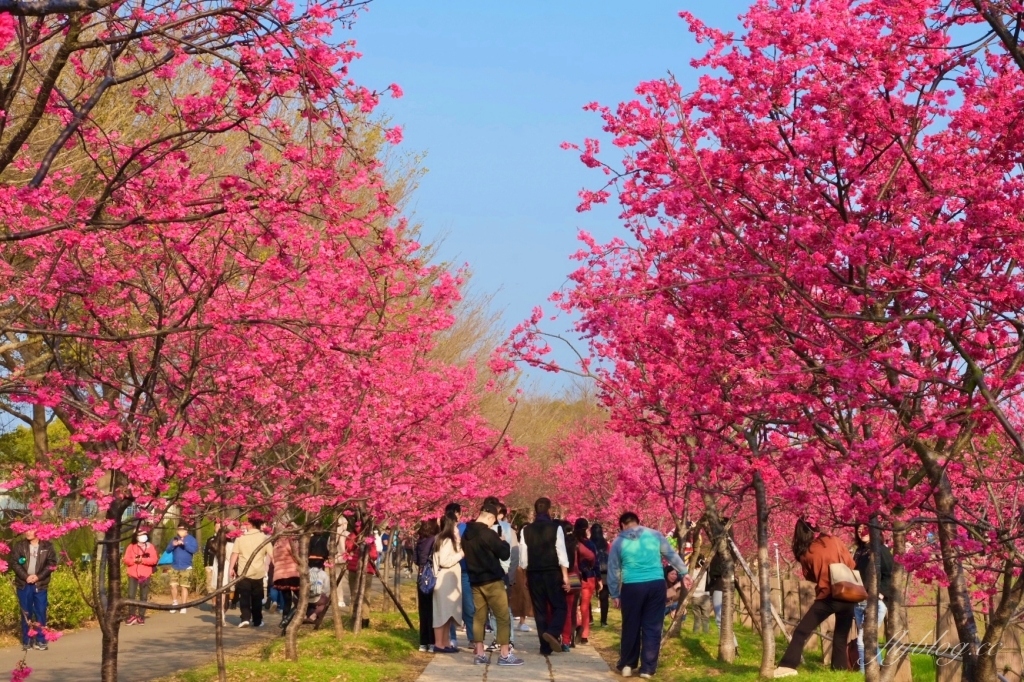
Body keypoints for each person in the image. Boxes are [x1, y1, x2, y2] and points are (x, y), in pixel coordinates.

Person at [608, 511, 687, 679]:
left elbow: (613, 569)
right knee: (652, 626)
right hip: (656, 585)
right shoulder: (655, 535)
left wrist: (614, 593)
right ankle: (647, 669)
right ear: (638, 521)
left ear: (622, 524)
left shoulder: (619, 541)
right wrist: (684, 572)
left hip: (632, 587)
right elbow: (671, 555)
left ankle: (628, 665)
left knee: (631, 625)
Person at [774, 518, 857, 677]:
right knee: (840, 637)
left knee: (801, 632)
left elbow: (809, 576)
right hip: (848, 594)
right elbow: (851, 564)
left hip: (828, 596)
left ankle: (788, 665)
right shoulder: (834, 540)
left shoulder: (806, 552)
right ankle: (839, 672)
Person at [462, 501, 524, 666]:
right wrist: (502, 541)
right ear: (489, 517)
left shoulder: (466, 534)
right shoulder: (488, 534)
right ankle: (504, 655)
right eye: (493, 520)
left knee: (479, 617)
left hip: (475, 580)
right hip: (492, 580)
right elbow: (504, 554)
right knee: (502, 616)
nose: (493, 524)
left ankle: (479, 654)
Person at [519, 497, 571, 656]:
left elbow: (523, 559)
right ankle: (553, 632)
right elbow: (561, 553)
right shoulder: (556, 528)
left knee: (540, 610)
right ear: (549, 510)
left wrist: (527, 575)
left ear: (535, 511)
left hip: (534, 573)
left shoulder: (525, 530)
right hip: (552, 572)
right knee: (560, 606)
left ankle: (544, 647)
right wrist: (565, 576)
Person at [852, 524, 893, 672]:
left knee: (863, 640)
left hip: (875, 602)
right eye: (858, 530)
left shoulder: (881, 550)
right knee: (870, 640)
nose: (861, 533)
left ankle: (864, 673)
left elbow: (891, 573)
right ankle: (879, 670)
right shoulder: (859, 552)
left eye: (865, 529)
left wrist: (881, 594)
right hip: (859, 601)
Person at [11, 528, 58, 651]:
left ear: (38, 530)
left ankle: (41, 640)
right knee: (26, 613)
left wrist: (38, 577)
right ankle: (27, 640)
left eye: (31, 530)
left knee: (40, 611)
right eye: (26, 530)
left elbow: (51, 564)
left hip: (40, 584)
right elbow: (15, 563)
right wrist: (26, 577)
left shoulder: (47, 546)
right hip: (24, 584)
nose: (28, 532)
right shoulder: (20, 546)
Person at [484, 500, 519, 652]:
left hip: (501, 573)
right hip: (488, 573)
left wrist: (510, 575)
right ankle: (498, 639)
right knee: (492, 609)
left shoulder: (506, 529)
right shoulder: (483, 528)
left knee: (504, 609)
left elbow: (513, 553)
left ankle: (508, 640)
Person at [230, 516, 272, 628]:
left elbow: (235, 554)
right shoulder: (265, 538)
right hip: (258, 572)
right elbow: (272, 555)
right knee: (257, 597)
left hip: (243, 571)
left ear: (250, 525)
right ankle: (257, 620)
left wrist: (231, 569)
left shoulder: (240, 538)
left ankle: (245, 618)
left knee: (244, 596)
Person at [432, 514, 464, 654]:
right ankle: (439, 643)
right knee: (442, 613)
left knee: (448, 614)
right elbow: (445, 561)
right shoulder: (445, 540)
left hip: (449, 581)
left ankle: (445, 642)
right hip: (444, 580)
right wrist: (461, 554)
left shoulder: (445, 539)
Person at [345, 521, 378, 629]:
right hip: (367, 569)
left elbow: (348, 548)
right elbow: (374, 555)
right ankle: (365, 620)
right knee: (365, 595)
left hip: (353, 568)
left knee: (354, 595)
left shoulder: (351, 535)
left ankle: (354, 619)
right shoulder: (370, 537)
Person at [123, 530, 159, 626]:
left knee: (143, 596)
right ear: (136, 536)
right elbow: (126, 559)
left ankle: (141, 616)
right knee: (131, 595)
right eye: (139, 535)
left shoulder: (150, 547)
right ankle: (132, 615)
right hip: (133, 574)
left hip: (145, 574)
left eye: (144, 534)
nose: (142, 536)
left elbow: (154, 560)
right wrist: (134, 560)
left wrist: (142, 560)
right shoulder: (131, 547)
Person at [574, 518, 600, 645]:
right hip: (588, 576)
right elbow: (596, 562)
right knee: (585, 606)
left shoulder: (572, 542)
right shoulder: (589, 544)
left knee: (573, 605)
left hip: (574, 575)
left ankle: (577, 624)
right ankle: (584, 635)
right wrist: (599, 579)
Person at [415, 518, 440, 652]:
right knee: (432, 610)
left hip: (420, 577)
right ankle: (431, 641)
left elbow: (415, 559)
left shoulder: (420, 540)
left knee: (423, 611)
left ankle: (423, 642)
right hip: (430, 576)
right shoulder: (434, 539)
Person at [165, 523, 198, 613]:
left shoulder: (191, 539)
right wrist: (173, 545)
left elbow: (194, 550)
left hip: (186, 566)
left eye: (181, 529)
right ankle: (174, 602)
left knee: (184, 586)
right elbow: (167, 550)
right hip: (175, 566)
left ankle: (183, 605)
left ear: (186, 530)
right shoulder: (174, 538)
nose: (179, 531)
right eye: (178, 529)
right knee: (173, 585)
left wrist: (184, 544)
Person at [271, 532, 300, 618]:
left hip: (279, 575)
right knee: (302, 598)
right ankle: (291, 617)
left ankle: (284, 620)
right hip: (291, 573)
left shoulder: (276, 544)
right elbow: (295, 556)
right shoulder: (288, 542)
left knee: (287, 600)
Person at [591, 523, 611, 627]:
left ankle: (589, 618)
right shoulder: (606, 544)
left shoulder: (589, 543)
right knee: (604, 597)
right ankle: (603, 621)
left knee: (586, 597)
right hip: (605, 572)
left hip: (591, 572)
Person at [689, 557, 712, 634]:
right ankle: (705, 633)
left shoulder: (691, 572)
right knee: (705, 617)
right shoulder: (705, 572)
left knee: (697, 617)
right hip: (704, 596)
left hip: (694, 596)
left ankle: (695, 632)